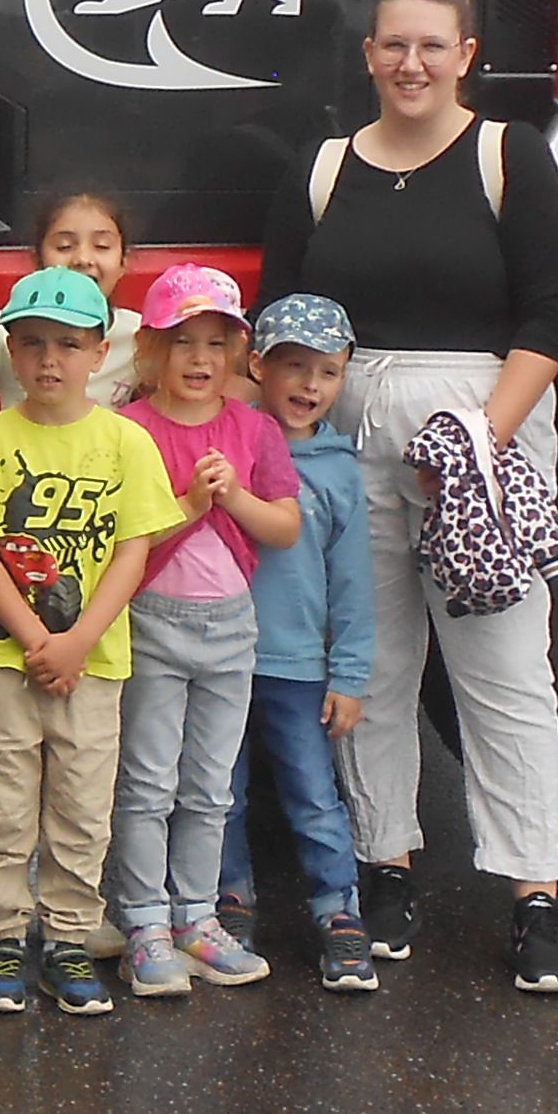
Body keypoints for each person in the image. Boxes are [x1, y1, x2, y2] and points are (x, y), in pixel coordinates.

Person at [264, 0, 558, 996]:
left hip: (480, 443)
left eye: (431, 46)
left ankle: (535, 892)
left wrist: (481, 444)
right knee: (369, 665)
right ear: (368, 57)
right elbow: (281, 319)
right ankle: (385, 864)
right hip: (349, 436)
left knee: (504, 674)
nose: (411, 63)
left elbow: (553, 314)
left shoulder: (509, 157)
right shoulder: (321, 170)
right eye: (393, 45)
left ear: (467, 58)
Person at [0, 264, 188, 1016]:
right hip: (6, 660)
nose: (49, 361)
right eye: (31, 344)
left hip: (94, 663)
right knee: (3, 803)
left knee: (83, 807)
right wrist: (34, 637)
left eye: (68, 344)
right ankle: (0, 933)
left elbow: (133, 550)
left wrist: (79, 639)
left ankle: (69, 936)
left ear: (99, 352)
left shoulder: (125, 443)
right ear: (9, 353)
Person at [109, 264, 302, 996]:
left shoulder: (252, 429)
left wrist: (236, 497)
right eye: (181, 341)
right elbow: (126, 543)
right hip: (153, 623)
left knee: (211, 786)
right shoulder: (131, 431)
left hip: (231, 627)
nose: (198, 359)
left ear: (237, 356)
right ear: (152, 351)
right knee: (148, 781)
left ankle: (196, 914)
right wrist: (190, 503)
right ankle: (143, 921)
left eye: (216, 343)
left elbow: (283, 525)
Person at [224, 293, 382, 993]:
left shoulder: (339, 472)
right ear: (258, 366)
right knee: (214, 793)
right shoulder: (228, 446)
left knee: (313, 794)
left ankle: (338, 912)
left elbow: (353, 586)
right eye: (293, 366)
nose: (309, 386)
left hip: (297, 666)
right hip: (219, 658)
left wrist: (349, 676)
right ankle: (225, 902)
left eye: (327, 372)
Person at [0, 188, 146, 408]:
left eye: (102, 246)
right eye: (64, 246)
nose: (83, 259)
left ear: (123, 261)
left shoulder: (141, 338)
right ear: (38, 257)